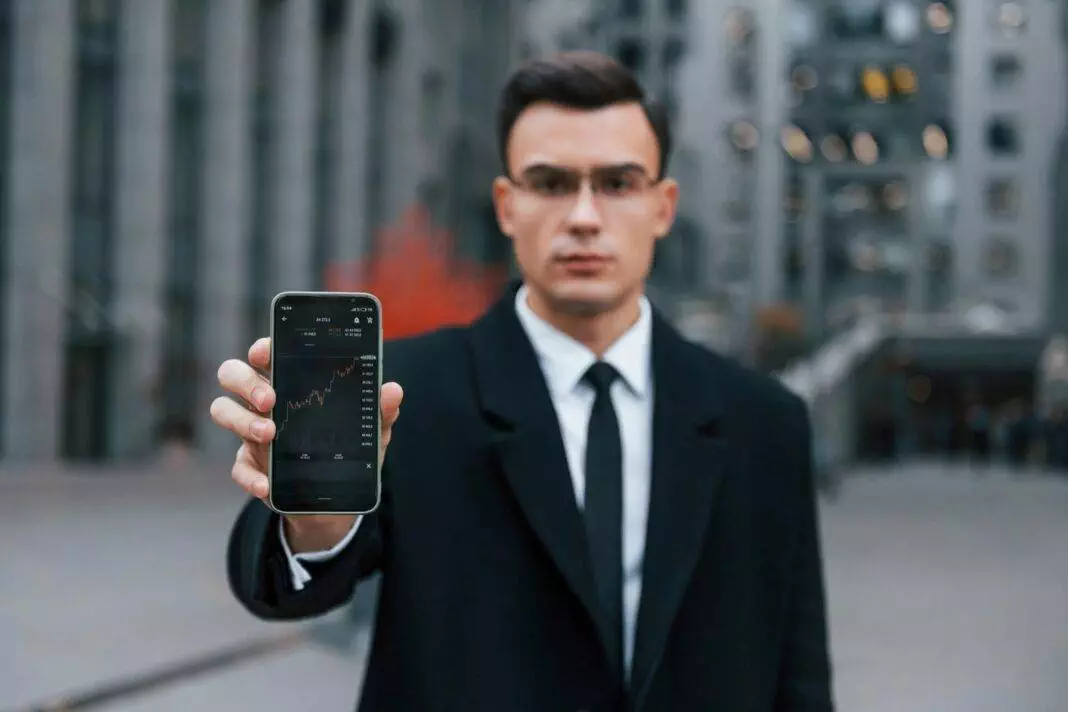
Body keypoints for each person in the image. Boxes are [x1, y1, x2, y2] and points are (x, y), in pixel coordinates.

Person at [211, 51, 834, 712]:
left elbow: (798, 679)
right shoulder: (403, 394)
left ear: (663, 205)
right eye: (552, 183)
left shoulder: (765, 423)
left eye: (618, 183)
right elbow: (287, 587)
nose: (585, 217)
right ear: (507, 205)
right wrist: (315, 524)